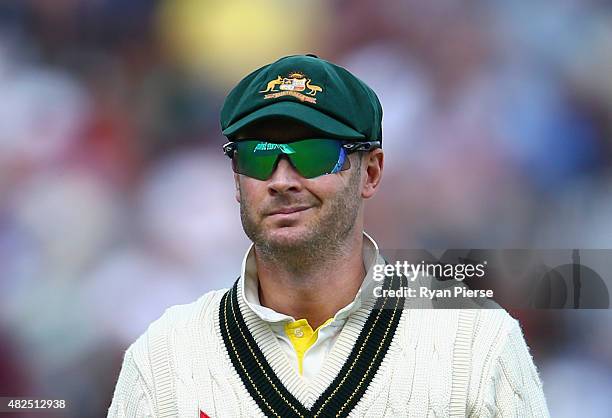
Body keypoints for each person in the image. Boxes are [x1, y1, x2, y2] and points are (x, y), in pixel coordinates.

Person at [108, 54, 549, 417]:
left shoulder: (475, 346)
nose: (281, 180)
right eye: (259, 156)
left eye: (313, 153)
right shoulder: (164, 355)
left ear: (371, 172)